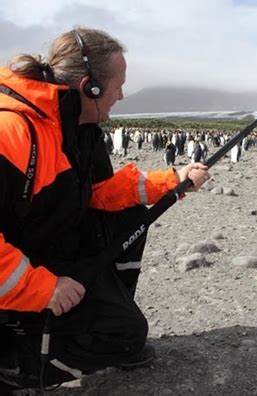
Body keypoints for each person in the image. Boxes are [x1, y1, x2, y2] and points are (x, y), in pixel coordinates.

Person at [0, 27, 210, 392]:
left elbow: (99, 194)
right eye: (118, 84)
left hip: (42, 249)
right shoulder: (14, 132)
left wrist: (171, 182)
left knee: (132, 216)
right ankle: (16, 368)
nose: (122, 94)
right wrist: (42, 288)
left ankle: (93, 319)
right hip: (16, 277)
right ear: (90, 87)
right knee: (125, 334)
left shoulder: (78, 128)